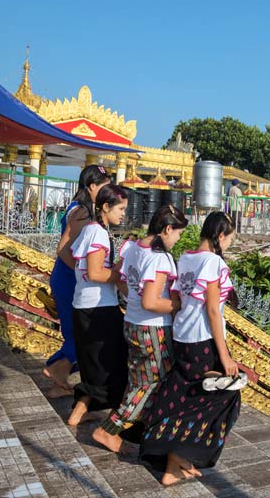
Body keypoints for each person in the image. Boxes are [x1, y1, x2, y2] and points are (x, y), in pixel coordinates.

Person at [140, 212, 243, 486]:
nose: (230, 245)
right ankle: (175, 460)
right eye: (230, 239)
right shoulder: (211, 262)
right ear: (220, 236)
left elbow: (178, 296)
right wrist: (225, 356)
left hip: (183, 335)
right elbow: (212, 310)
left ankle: (180, 459)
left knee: (188, 393)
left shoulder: (186, 258)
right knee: (220, 398)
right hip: (203, 339)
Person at [92, 204, 189, 454]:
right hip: (153, 328)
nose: (177, 240)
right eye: (177, 234)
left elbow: (123, 282)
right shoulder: (159, 258)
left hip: (133, 322)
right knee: (151, 384)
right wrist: (177, 303)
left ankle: (137, 428)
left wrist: (136, 302)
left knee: (138, 381)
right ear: (167, 229)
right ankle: (108, 429)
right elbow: (152, 301)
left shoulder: (134, 247)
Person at [43, 165, 110, 399]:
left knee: (75, 334)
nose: (107, 191)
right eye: (104, 186)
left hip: (67, 278)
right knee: (79, 336)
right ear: (92, 186)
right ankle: (57, 372)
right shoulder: (82, 212)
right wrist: (83, 271)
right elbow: (63, 249)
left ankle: (57, 379)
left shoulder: (79, 208)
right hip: (68, 278)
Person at [68, 184, 130, 426]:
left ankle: (82, 409)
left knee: (98, 364)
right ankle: (87, 411)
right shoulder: (98, 234)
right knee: (111, 365)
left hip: (87, 305)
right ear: (105, 207)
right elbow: (95, 273)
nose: (123, 213)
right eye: (121, 208)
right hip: (98, 309)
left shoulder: (90, 230)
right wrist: (117, 272)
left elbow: (78, 263)